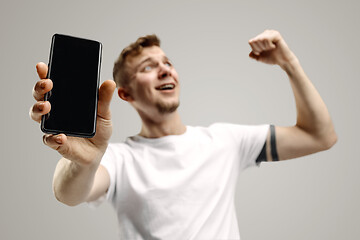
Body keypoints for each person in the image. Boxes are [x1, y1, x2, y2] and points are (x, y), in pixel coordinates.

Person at [30, 30, 337, 239]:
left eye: (168, 63)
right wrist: (82, 161)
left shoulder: (226, 141)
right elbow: (68, 194)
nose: (165, 70)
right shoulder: (119, 159)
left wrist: (289, 63)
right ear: (125, 93)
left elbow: (319, 136)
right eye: (149, 67)